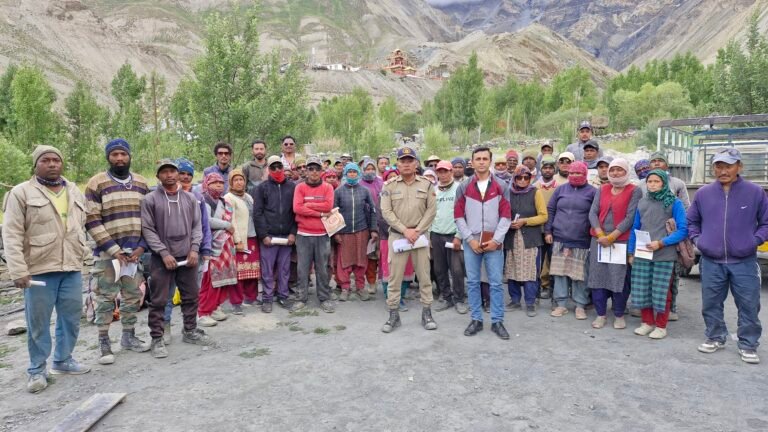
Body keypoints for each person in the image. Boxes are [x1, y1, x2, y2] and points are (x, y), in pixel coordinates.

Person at [3, 145, 91, 393]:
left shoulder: (73, 190)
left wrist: (83, 253)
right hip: (38, 270)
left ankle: (63, 360)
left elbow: (80, 224)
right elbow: (11, 234)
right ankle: (37, 370)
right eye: (46, 160)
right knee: (38, 323)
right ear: (36, 164)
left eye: (56, 160)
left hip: (71, 266)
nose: (52, 164)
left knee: (71, 318)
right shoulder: (21, 193)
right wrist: (18, 270)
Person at [688, 148, 768, 364]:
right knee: (711, 302)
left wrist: (755, 241)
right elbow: (691, 222)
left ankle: (748, 344)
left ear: (739, 167)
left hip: (744, 261)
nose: (723, 171)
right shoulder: (704, 194)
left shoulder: (755, 192)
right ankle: (715, 336)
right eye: (719, 166)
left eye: (728, 166)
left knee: (749, 303)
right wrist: (698, 240)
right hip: (711, 260)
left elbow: (766, 223)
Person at [84, 138, 150, 365]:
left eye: (123, 154)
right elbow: (91, 220)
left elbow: (149, 219)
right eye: (115, 155)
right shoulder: (97, 183)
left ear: (130, 156)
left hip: (134, 254)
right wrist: (113, 250)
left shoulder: (141, 183)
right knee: (105, 298)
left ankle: (128, 336)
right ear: (108, 157)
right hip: (107, 256)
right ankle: (104, 341)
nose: (120, 158)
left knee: (133, 295)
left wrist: (142, 246)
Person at [141, 159, 213, 358]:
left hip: (187, 255)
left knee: (191, 295)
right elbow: (147, 229)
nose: (169, 175)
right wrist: (163, 253)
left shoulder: (190, 199)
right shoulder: (150, 200)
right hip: (161, 259)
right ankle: (157, 338)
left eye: (173, 171)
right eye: (164, 172)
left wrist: (194, 250)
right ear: (158, 176)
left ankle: (190, 330)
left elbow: (197, 227)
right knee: (159, 300)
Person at [455, 146, 512, 339]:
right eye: (477, 158)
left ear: (490, 161)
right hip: (472, 242)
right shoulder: (463, 187)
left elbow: (506, 216)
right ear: (472, 162)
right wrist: (469, 239)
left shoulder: (501, 186)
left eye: (484, 158)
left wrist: (497, 240)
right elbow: (458, 216)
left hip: (493, 242)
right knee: (472, 282)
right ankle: (476, 319)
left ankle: (497, 321)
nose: (481, 162)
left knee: (496, 283)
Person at [380, 146, 438, 333]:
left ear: (416, 163)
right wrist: (405, 230)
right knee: (394, 277)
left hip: (420, 237)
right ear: (397, 164)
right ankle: (393, 314)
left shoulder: (427, 184)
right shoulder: (389, 186)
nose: (406, 164)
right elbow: (386, 212)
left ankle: (427, 312)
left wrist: (418, 230)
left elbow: (431, 210)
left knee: (424, 276)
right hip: (398, 236)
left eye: (410, 161)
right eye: (402, 161)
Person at [627, 169, 688, 340]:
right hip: (643, 254)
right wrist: (631, 252)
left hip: (665, 255)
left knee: (662, 292)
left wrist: (661, 243)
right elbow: (635, 229)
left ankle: (661, 326)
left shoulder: (674, 203)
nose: (652, 184)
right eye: (650, 181)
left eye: (656, 181)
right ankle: (647, 322)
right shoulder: (642, 203)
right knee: (643, 289)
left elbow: (683, 230)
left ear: (664, 183)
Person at [587, 158, 642, 330]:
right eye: (612, 170)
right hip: (598, 240)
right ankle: (601, 314)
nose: (615, 173)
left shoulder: (634, 190)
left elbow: (631, 217)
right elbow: (593, 213)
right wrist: (601, 234)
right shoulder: (602, 189)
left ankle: (618, 314)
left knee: (618, 279)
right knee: (598, 277)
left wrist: (611, 237)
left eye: (619, 170)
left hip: (620, 241)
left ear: (626, 172)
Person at [163, 158, 212, 343]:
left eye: (188, 174)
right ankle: (165, 328)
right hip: (168, 254)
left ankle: (189, 328)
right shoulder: (162, 196)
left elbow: (203, 225)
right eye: (181, 173)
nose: (184, 177)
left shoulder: (198, 198)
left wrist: (204, 248)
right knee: (166, 293)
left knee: (191, 293)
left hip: (193, 252)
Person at [545, 161, 596, 319]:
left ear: (585, 174)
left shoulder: (592, 192)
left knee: (579, 274)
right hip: (560, 237)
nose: (574, 176)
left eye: (578, 173)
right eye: (572, 173)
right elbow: (551, 209)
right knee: (560, 272)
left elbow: (595, 214)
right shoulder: (561, 189)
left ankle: (580, 305)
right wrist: (548, 230)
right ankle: (561, 304)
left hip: (582, 239)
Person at [648, 151, 691, 321]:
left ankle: (670, 308)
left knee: (671, 276)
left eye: (660, 161)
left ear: (666, 164)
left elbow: (686, 208)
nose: (657, 163)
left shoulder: (678, 184)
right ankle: (649, 309)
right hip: (649, 236)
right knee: (649, 276)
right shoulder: (643, 184)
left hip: (670, 237)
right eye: (654, 161)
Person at [252, 156, 296, 313]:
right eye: (273, 167)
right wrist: (263, 235)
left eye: (279, 166)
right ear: (268, 169)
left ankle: (283, 296)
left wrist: (293, 233)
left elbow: (295, 212)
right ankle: (267, 298)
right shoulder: (261, 188)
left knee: (284, 269)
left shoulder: (292, 187)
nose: (277, 170)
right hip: (269, 236)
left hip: (286, 237)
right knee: (267, 269)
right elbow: (257, 213)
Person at [292, 156, 335, 313]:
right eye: (311, 169)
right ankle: (301, 298)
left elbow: (328, 206)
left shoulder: (328, 188)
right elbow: (297, 208)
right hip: (303, 234)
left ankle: (324, 298)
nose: (314, 172)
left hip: (322, 234)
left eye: (317, 169)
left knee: (322, 268)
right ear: (306, 171)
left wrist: (308, 204)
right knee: (303, 268)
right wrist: (320, 213)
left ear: (321, 171)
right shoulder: (300, 188)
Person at [504, 166, 548, 317]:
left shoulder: (536, 192)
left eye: (526, 178)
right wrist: (507, 222)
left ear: (530, 179)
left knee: (530, 271)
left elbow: (543, 216)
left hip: (529, 238)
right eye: (519, 178)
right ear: (514, 179)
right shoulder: (508, 193)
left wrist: (525, 221)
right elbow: (502, 213)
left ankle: (530, 302)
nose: (523, 181)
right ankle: (515, 300)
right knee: (512, 269)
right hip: (512, 237)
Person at [197, 173, 238, 326]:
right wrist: (227, 225)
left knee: (221, 279)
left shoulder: (223, 201)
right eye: (214, 183)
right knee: (210, 281)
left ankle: (215, 307)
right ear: (207, 184)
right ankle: (203, 312)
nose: (219, 185)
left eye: (221, 182)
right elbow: (206, 221)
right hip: (211, 247)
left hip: (224, 247)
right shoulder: (204, 200)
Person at [334, 162, 377, 301]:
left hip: (361, 230)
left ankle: (360, 287)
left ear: (358, 173)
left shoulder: (365, 191)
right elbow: (333, 213)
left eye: (354, 172)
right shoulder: (339, 191)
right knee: (344, 261)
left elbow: (373, 210)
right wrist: (336, 232)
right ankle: (345, 287)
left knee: (361, 260)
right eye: (349, 172)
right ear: (346, 174)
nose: (352, 174)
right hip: (344, 231)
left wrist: (373, 230)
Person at [431, 161, 467, 314]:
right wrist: (428, 237)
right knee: (439, 269)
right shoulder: (433, 191)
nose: (443, 174)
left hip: (453, 234)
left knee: (457, 270)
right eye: (440, 171)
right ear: (437, 173)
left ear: (451, 172)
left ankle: (459, 299)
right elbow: (429, 214)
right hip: (436, 234)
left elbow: (465, 213)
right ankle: (447, 297)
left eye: (446, 171)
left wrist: (459, 235)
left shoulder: (459, 188)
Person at [225, 169, 260, 314]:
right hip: (240, 239)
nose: (239, 182)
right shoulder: (228, 198)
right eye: (236, 180)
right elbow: (230, 220)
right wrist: (237, 240)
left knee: (252, 269)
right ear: (231, 182)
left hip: (252, 237)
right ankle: (236, 302)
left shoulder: (248, 197)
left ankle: (251, 297)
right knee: (238, 272)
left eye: (242, 180)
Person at [379, 168, 411, 312]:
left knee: (405, 268)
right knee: (389, 268)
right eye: (389, 177)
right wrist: (397, 228)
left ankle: (401, 297)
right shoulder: (383, 195)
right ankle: (390, 297)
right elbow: (382, 217)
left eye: (395, 177)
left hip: (408, 236)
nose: (392, 179)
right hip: (388, 236)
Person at [535, 155, 559, 299]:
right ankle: (536, 288)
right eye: (545, 168)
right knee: (537, 261)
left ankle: (552, 289)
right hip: (537, 230)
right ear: (541, 169)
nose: (548, 170)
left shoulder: (559, 188)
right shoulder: (534, 186)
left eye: (551, 168)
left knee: (552, 260)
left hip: (554, 230)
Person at [360, 158, 384, 296]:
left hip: (383, 223)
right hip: (365, 224)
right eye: (367, 169)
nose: (370, 172)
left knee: (383, 254)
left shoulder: (382, 183)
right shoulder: (359, 184)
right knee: (370, 256)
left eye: (372, 169)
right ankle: (371, 282)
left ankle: (385, 281)